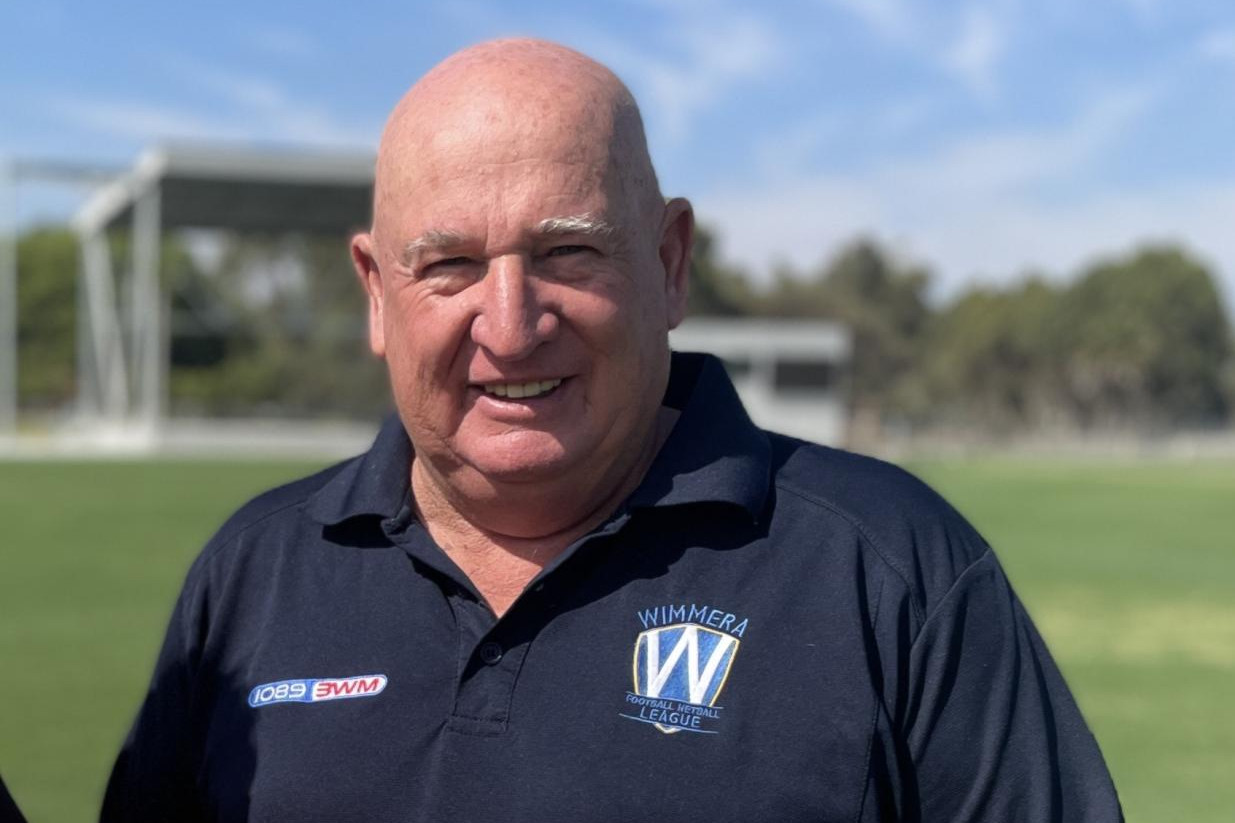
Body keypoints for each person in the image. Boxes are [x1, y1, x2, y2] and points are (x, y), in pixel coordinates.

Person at [101, 39, 1122, 822]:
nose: (509, 324)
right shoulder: (250, 571)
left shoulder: (893, 571)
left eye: (567, 252)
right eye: (448, 264)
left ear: (669, 263)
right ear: (376, 292)